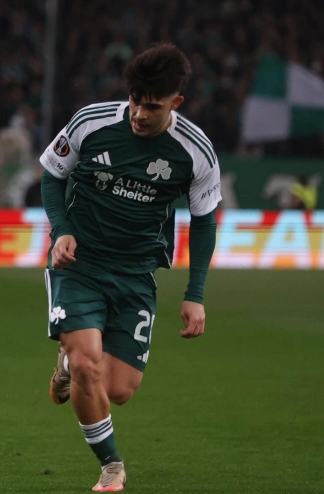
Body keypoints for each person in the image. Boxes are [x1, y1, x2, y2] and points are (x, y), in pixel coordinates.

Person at [39, 43, 220, 492]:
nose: (139, 113)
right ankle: (111, 466)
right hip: (78, 263)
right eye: (135, 101)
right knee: (88, 365)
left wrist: (195, 293)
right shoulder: (92, 121)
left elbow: (204, 222)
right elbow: (51, 174)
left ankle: (66, 363)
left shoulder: (195, 152)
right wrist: (61, 229)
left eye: (152, 106)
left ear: (176, 102)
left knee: (118, 389)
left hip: (136, 273)